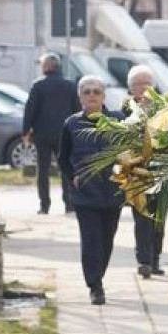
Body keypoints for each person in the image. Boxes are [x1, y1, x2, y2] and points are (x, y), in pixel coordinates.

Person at [59, 76, 123, 305]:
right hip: (85, 195)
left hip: (113, 192)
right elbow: (63, 158)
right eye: (87, 92)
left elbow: (130, 151)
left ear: (104, 96)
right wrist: (73, 177)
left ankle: (99, 276)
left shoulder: (117, 120)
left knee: (107, 241)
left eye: (96, 91)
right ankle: (95, 285)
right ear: (80, 97)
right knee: (91, 241)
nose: (92, 95)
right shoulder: (71, 124)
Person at [23, 53, 80, 215]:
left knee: (43, 170)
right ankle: (69, 204)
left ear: (47, 67)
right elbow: (76, 108)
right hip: (65, 133)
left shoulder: (38, 85)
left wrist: (25, 131)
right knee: (66, 168)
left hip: (43, 134)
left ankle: (44, 205)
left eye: (42, 64)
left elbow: (30, 110)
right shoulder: (70, 85)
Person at [125, 64, 166, 278]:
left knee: (159, 219)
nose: (142, 89)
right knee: (142, 219)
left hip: (162, 171)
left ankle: (156, 258)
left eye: (146, 84)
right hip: (136, 173)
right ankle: (144, 261)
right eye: (137, 85)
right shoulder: (124, 110)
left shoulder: (165, 109)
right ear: (130, 88)